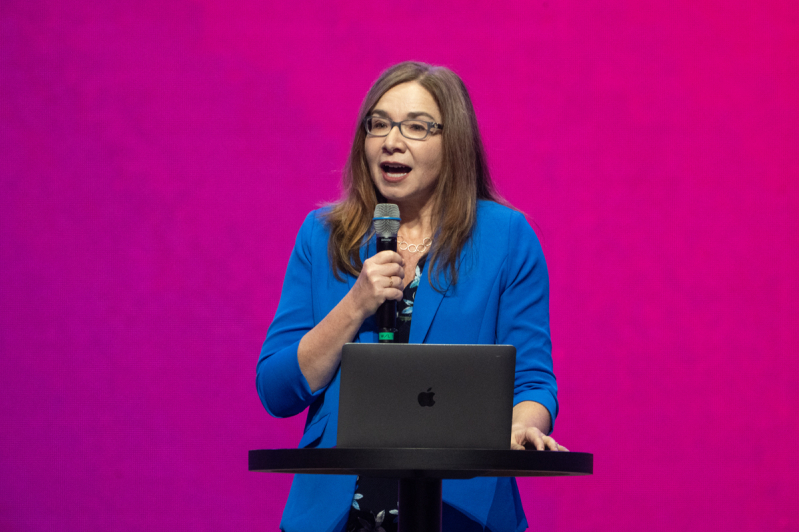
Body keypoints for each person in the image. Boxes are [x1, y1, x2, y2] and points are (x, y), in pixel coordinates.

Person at [257, 61, 567, 532]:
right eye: (378, 124)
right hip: (339, 512)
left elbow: (532, 381)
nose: (391, 141)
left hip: (461, 509)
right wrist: (355, 303)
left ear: (454, 143)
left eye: (416, 127)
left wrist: (523, 424)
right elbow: (277, 390)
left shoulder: (506, 238)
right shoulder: (322, 237)